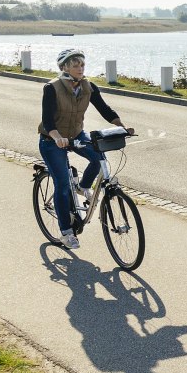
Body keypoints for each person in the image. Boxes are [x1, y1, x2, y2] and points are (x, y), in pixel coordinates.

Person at [38, 48, 134, 250]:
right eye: (75, 65)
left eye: (82, 64)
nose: (80, 68)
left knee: (99, 158)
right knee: (63, 186)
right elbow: (47, 120)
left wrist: (121, 126)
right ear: (64, 67)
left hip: (77, 134)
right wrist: (56, 137)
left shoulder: (88, 86)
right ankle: (66, 232)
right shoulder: (52, 88)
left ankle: (83, 186)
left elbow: (105, 109)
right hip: (52, 139)